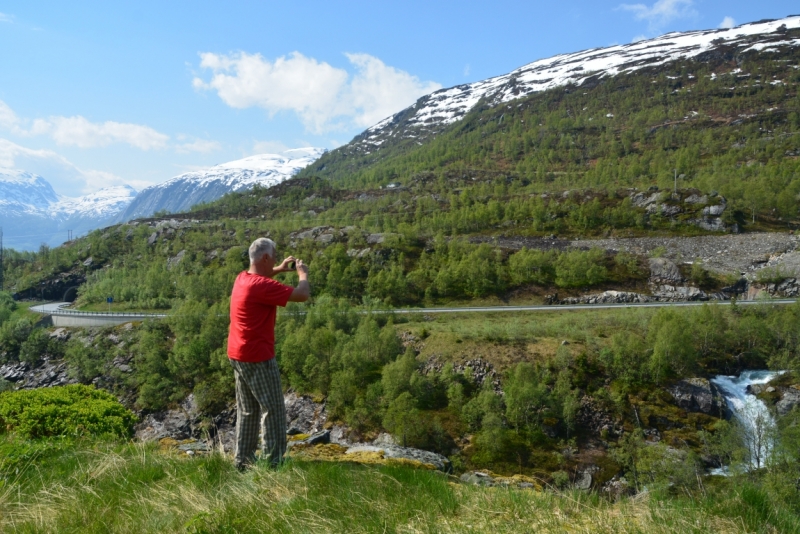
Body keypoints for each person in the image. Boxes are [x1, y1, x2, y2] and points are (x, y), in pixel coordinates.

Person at [227, 237, 310, 471]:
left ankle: (242, 462)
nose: (276, 258)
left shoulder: (243, 278)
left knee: (248, 410)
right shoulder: (262, 286)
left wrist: (280, 269)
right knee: (272, 409)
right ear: (265, 257)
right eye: (274, 256)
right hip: (258, 356)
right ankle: (273, 464)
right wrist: (302, 274)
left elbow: (262, 277)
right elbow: (301, 295)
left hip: (238, 353)